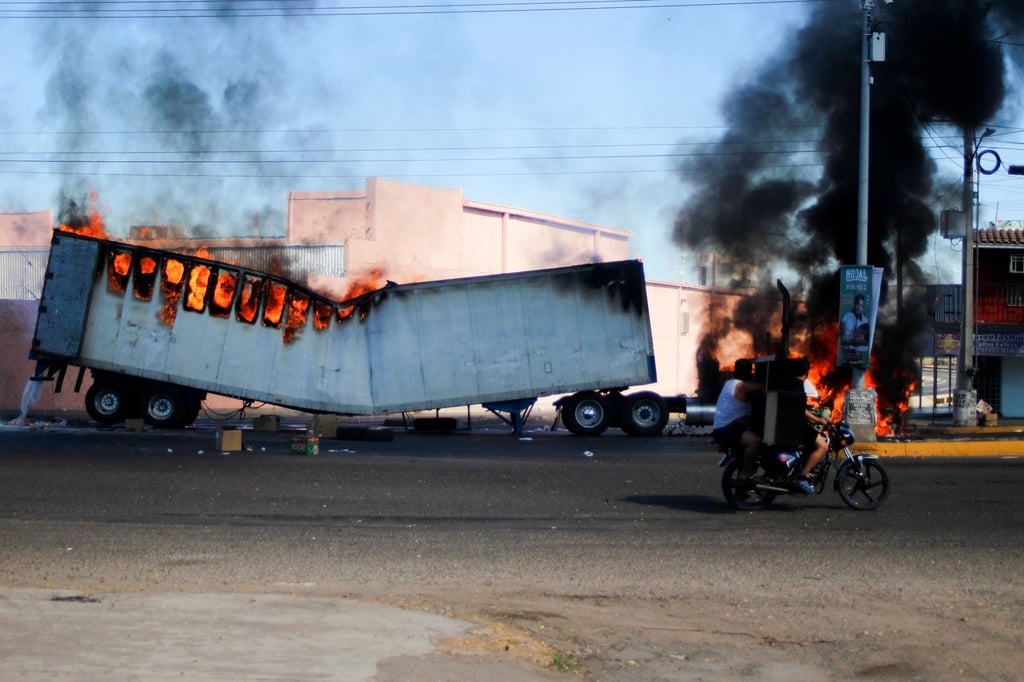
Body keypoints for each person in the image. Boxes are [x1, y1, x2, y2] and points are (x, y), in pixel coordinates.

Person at [711, 359, 763, 469]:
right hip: (727, 429)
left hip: (721, 428)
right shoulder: (742, 386)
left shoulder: (729, 383)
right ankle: (745, 473)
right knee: (755, 442)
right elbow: (764, 386)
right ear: (748, 372)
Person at [792, 358, 828, 494]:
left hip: (792, 423)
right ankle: (802, 477)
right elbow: (800, 410)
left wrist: (814, 419)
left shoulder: (791, 383)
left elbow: (799, 408)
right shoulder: (799, 386)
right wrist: (818, 419)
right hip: (796, 426)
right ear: (806, 373)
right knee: (822, 447)